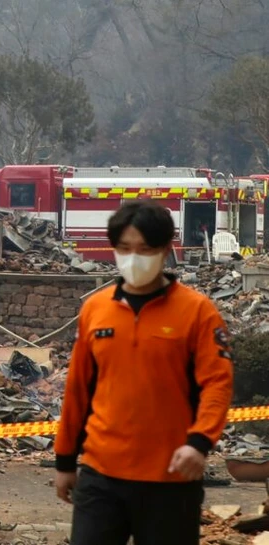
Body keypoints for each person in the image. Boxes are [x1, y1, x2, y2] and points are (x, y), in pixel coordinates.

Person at [54, 200, 234, 544]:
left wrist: (200, 442)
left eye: (145, 249)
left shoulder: (197, 312)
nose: (133, 258)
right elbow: (78, 388)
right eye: (124, 249)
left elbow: (217, 382)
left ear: (166, 249)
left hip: (171, 480)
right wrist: (65, 461)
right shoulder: (95, 310)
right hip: (101, 476)